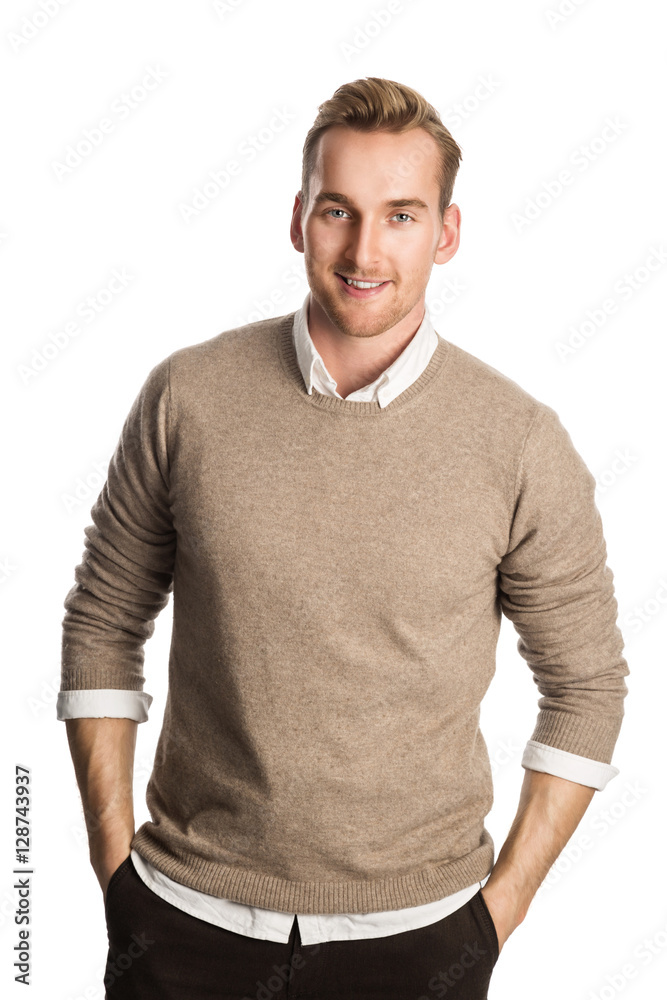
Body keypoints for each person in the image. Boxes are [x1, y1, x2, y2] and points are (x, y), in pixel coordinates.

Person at [57, 77, 630, 1000]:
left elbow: (586, 688)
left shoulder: (518, 441)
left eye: (401, 215)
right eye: (338, 211)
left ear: (445, 232)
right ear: (298, 219)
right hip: (181, 923)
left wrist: (494, 918)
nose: (365, 251)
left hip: (419, 939)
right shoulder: (188, 398)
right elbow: (101, 624)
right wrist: (118, 875)